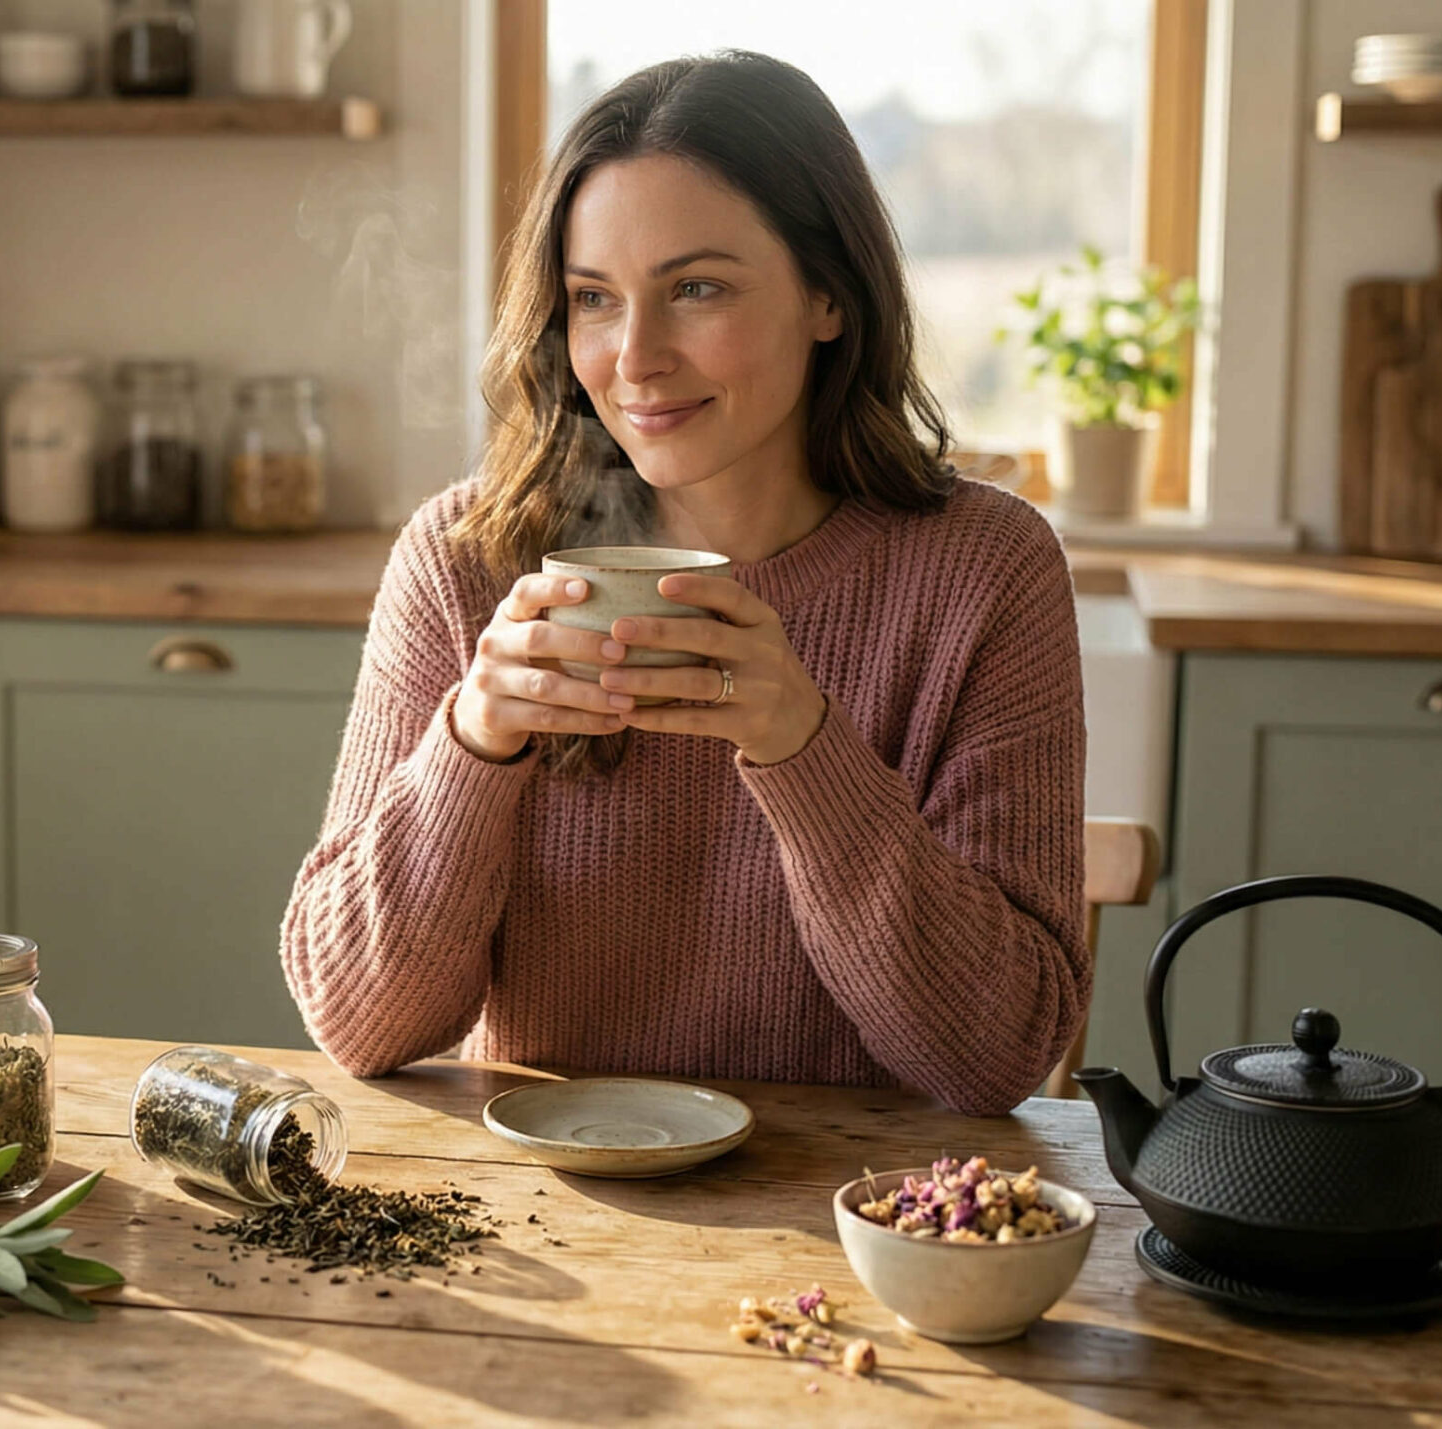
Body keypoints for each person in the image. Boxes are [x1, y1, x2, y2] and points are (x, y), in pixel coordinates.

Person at [278, 51, 1085, 1116]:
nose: (635, 356)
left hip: (858, 1231)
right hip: (548, 1224)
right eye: (593, 300)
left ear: (828, 295)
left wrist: (804, 744)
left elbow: (992, 1058)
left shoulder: (986, 572)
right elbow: (358, 1022)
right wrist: (473, 743)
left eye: (694, 289)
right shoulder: (466, 559)